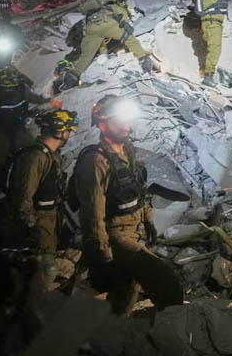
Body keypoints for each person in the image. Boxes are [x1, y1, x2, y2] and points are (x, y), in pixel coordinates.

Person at [73, 95, 182, 315]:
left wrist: (148, 219)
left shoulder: (128, 151)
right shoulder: (96, 160)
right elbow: (93, 211)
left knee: (126, 289)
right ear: (102, 124)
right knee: (164, 278)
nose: (125, 126)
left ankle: (110, 336)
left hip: (133, 229)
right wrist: (101, 253)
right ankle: (173, 333)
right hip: (115, 235)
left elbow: (138, 190)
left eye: (127, 120)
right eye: (118, 121)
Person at [5, 109, 78, 282]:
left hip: (49, 224)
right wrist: (33, 234)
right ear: (60, 131)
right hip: (36, 228)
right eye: (67, 130)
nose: (68, 135)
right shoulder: (35, 157)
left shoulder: (52, 156)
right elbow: (23, 200)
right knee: (42, 275)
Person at [58, 0, 157, 91]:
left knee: (86, 56)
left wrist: (103, 52)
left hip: (91, 27)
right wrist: (125, 25)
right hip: (106, 24)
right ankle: (144, 62)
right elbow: (122, 18)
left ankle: (70, 80)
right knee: (130, 40)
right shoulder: (117, 6)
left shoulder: (97, 7)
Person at [194, 0, 232, 87]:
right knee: (215, 49)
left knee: (210, 49)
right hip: (212, 25)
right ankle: (209, 76)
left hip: (208, 23)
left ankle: (206, 71)